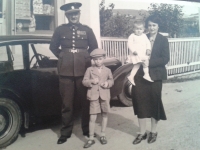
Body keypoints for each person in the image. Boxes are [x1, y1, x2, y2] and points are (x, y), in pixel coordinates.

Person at [49, 2, 98, 144]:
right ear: (66, 15)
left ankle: (87, 130)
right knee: (67, 104)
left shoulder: (87, 30)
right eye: (70, 14)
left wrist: (86, 58)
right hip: (65, 71)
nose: (73, 16)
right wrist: (63, 57)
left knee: (85, 102)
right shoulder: (60, 30)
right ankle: (65, 132)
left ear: (79, 14)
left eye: (75, 14)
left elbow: (94, 48)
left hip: (84, 71)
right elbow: (53, 47)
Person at [131, 15, 170, 145]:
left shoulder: (163, 40)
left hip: (156, 75)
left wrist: (148, 62)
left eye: (154, 25)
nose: (151, 28)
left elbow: (165, 58)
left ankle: (153, 131)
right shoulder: (141, 37)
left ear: (158, 26)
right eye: (149, 25)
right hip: (141, 75)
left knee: (154, 102)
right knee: (139, 101)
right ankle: (142, 132)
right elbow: (133, 50)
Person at [82, 48, 114, 148]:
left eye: (100, 59)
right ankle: (91, 138)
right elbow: (84, 81)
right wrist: (91, 81)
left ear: (103, 58)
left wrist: (107, 83)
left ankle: (103, 135)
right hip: (93, 96)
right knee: (93, 117)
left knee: (105, 115)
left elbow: (112, 80)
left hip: (104, 95)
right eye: (95, 60)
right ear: (93, 60)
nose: (98, 61)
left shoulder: (108, 70)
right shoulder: (89, 69)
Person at [127, 20, 153, 85]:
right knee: (137, 65)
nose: (139, 31)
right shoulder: (132, 36)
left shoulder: (144, 36)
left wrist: (148, 49)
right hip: (136, 54)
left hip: (143, 53)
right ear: (133, 29)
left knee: (145, 64)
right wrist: (133, 50)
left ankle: (146, 75)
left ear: (143, 29)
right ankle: (131, 76)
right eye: (137, 29)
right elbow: (129, 44)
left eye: (140, 29)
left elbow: (148, 43)